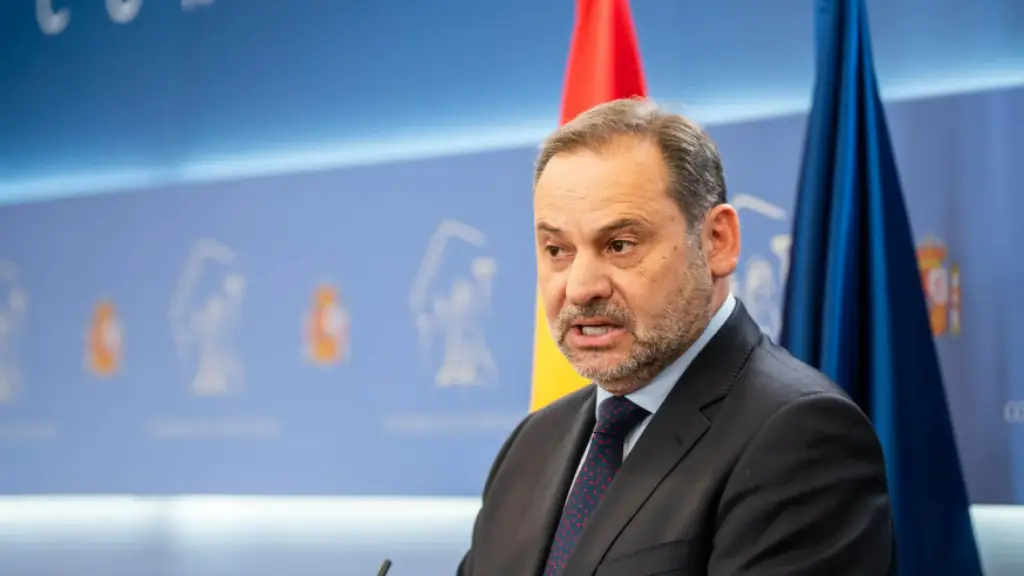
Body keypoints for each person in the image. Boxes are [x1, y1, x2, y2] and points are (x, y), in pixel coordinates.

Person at [457, 98, 896, 576]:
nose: (581, 287)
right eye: (557, 249)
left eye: (619, 245)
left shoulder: (801, 436)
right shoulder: (532, 443)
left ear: (717, 241)